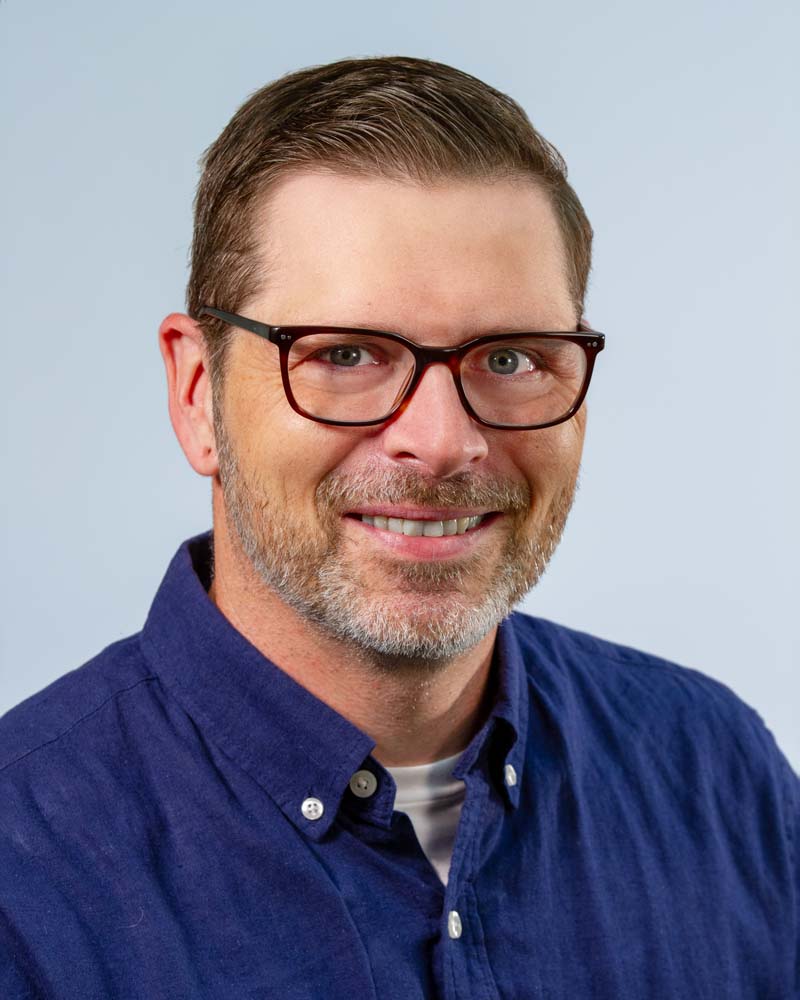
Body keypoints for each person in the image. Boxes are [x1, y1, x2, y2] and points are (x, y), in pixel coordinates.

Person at [1, 55, 796, 999]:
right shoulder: (23, 875)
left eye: (509, 356)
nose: (442, 442)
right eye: (345, 353)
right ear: (197, 393)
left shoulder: (714, 770)